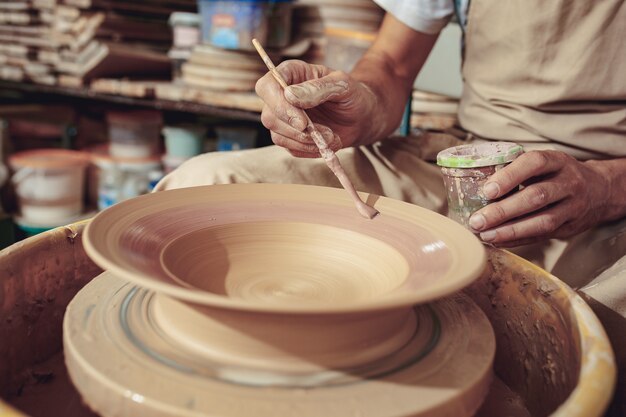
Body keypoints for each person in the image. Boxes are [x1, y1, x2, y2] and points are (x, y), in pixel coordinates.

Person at [156, 1, 625, 413]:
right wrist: (362, 103)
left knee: (590, 338)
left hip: (610, 183)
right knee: (206, 186)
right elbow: (392, 67)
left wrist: (604, 187)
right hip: (463, 160)